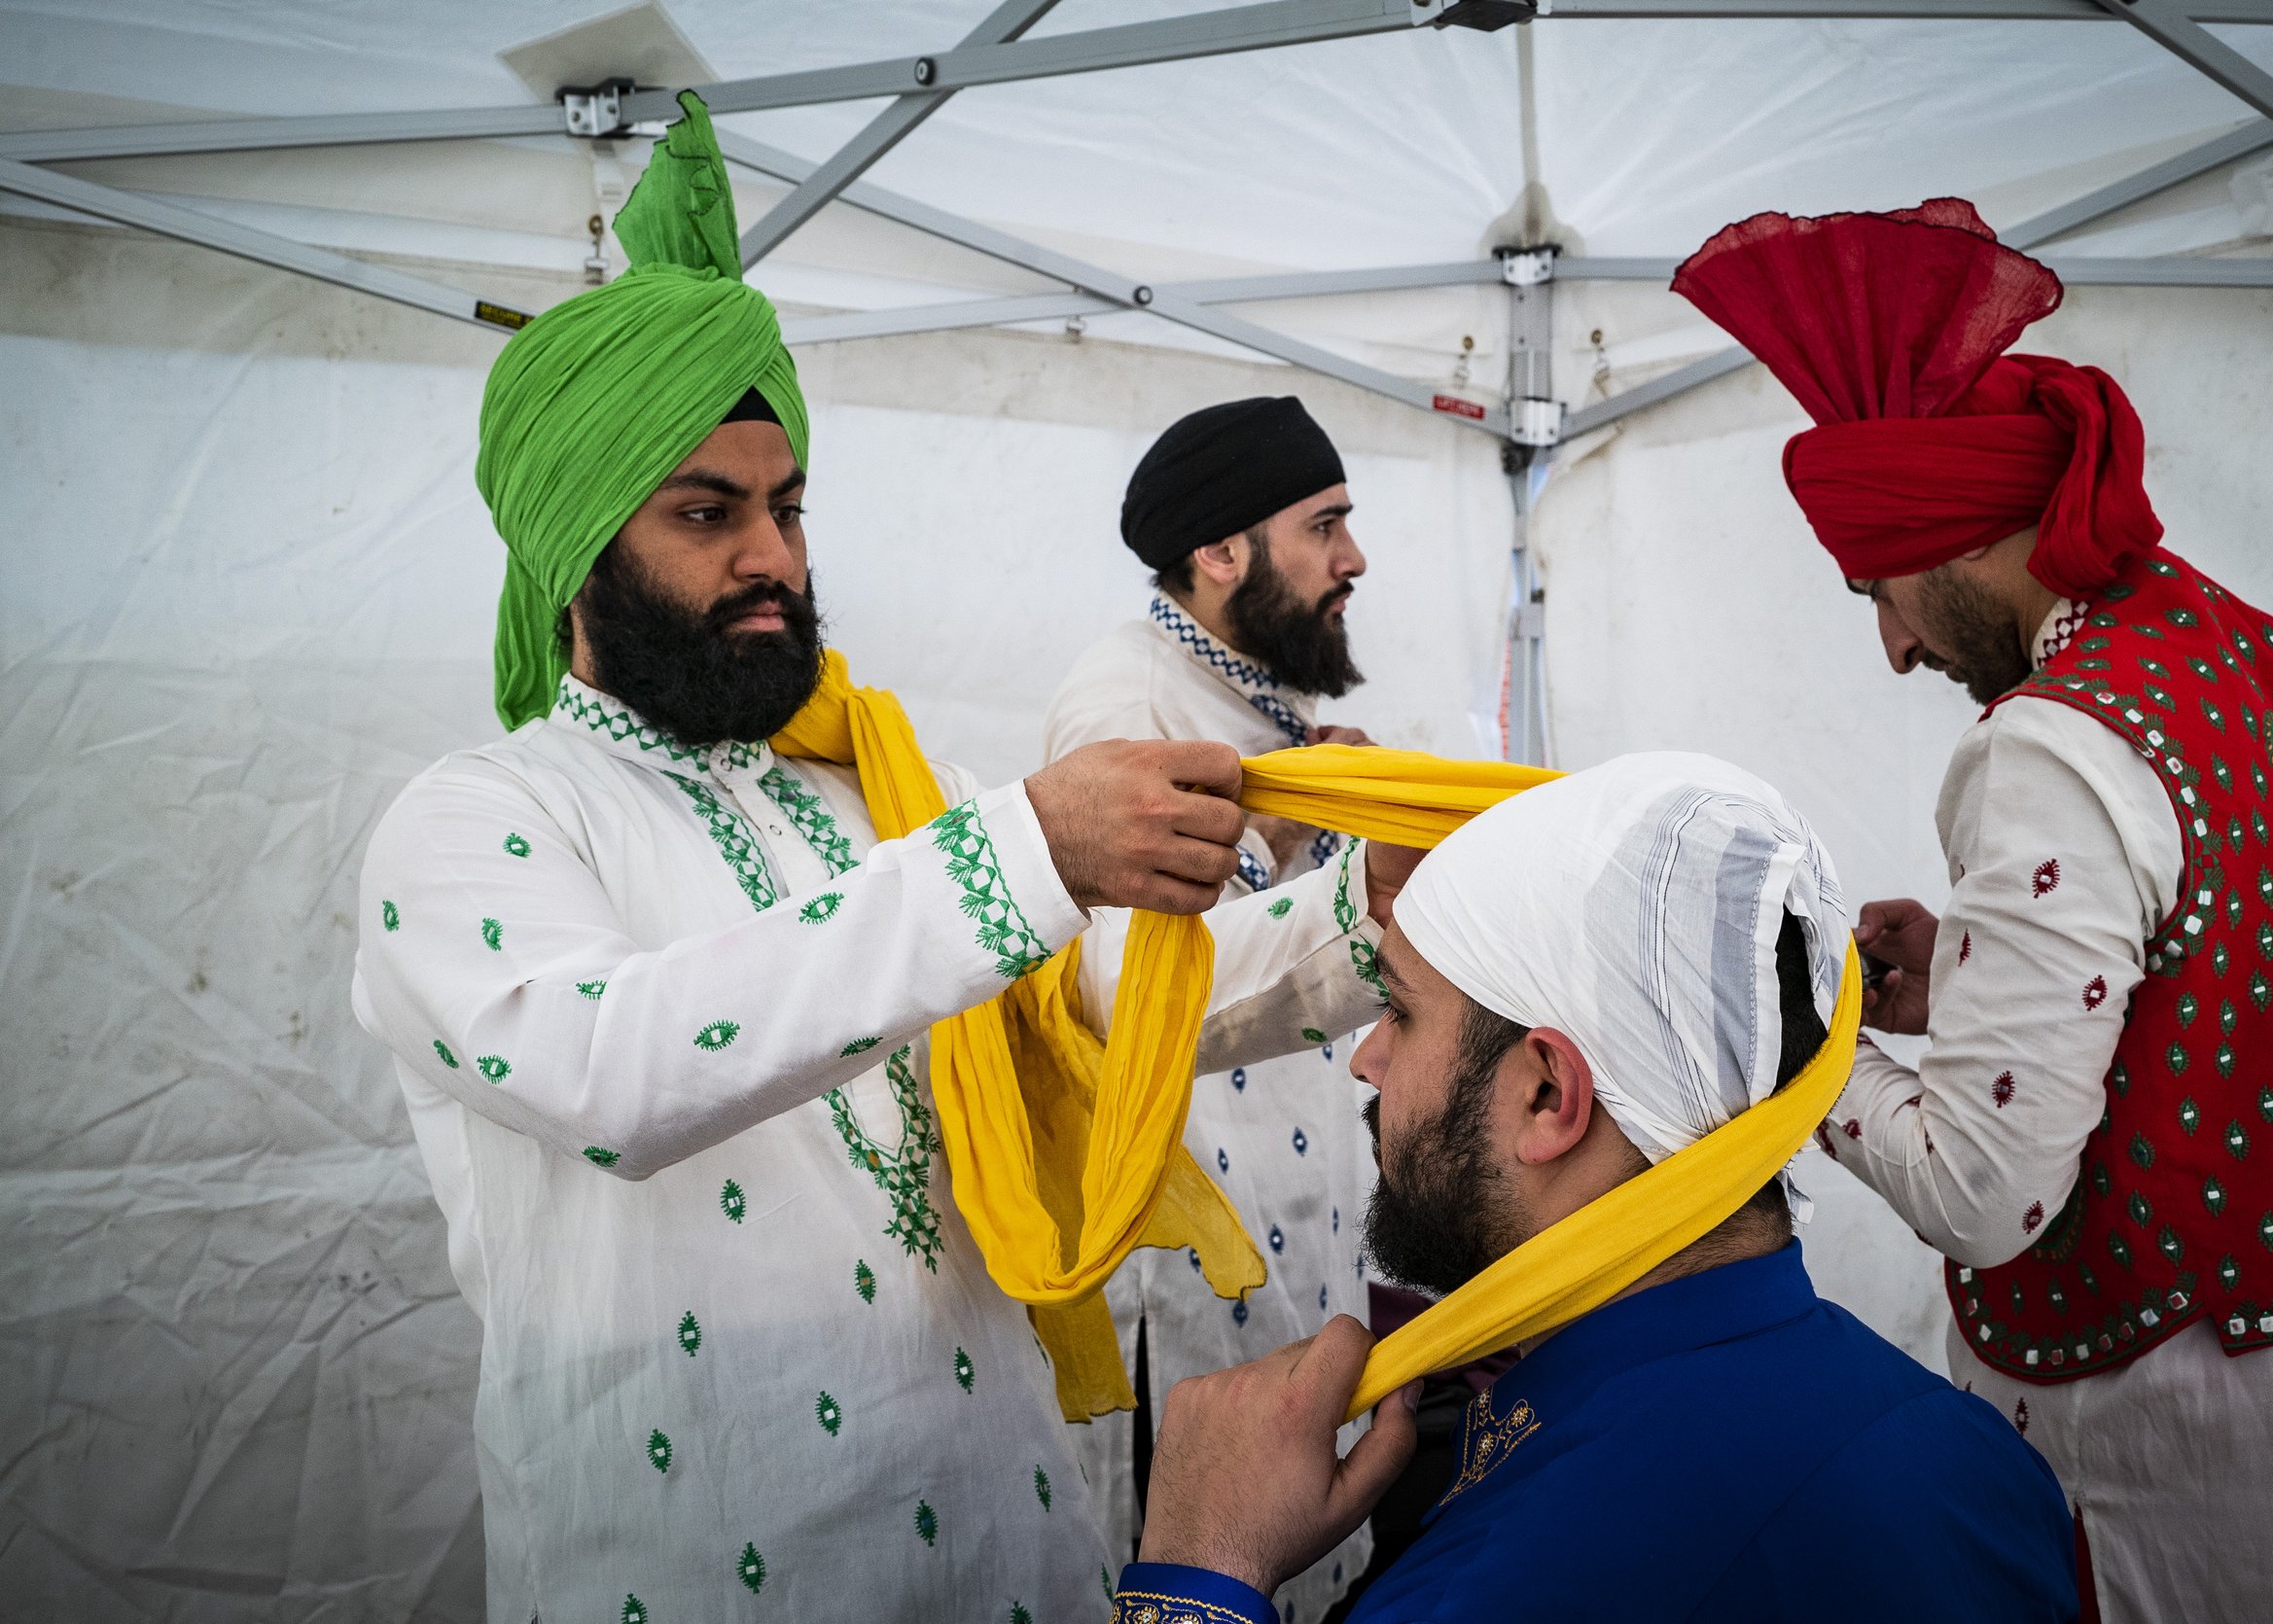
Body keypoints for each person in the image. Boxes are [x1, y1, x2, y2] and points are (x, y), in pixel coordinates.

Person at [351, 95, 1407, 1624]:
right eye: (706, 513)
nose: (773, 556)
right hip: (697, 1569)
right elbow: (614, 1069)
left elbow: (1115, 996)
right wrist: (1026, 848)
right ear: (575, 550)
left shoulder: (881, 802)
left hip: (1008, 1541)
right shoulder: (478, 821)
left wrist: (1359, 926)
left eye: (785, 506)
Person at [1670, 198, 2273, 1622]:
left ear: (1951, 536)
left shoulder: (2046, 739)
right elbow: (2265, 975)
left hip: (2202, 1457)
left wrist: (1788, 1038)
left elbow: (1983, 1191)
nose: (1893, 646)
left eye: (1876, 588)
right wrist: (1963, 981)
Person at [1109, 755, 2081, 1623]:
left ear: (1546, 1094)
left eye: (1398, 1010)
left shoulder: (1500, 1584)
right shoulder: (1980, 1457)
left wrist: (1196, 1573)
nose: (1365, 1057)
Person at [1045, 397, 1386, 1619]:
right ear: (1220, 552)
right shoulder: (1121, 702)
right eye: (1325, 524)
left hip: (1301, 1239)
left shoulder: (1249, 693)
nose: (1353, 558)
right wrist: (1276, 835)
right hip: (1186, 1282)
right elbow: (1125, 991)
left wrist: (1331, 812)